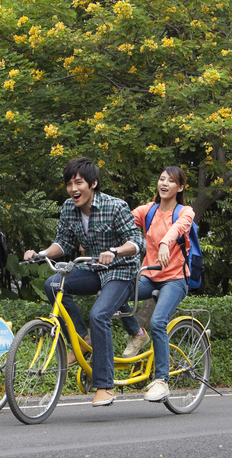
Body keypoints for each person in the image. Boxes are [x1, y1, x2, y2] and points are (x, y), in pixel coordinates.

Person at [23, 158, 145, 407]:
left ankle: (105, 385)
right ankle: (82, 339)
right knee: (53, 284)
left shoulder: (115, 206)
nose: (73, 189)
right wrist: (43, 254)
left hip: (121, 271)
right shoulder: (69, 207)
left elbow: (137, 242)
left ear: (93, 183)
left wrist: (115, 251)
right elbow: (64, 243)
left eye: (78, 183)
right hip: (93, 268)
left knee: (99, 314)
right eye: (69, 184)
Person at [124, 165, 196, 402]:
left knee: (158, 321)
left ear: (180, 187)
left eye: (171, 181)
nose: (164, 183)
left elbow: (178, 228)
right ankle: (136, 333)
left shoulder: (185, 211)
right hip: (149, 275)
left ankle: (161, 380)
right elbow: (122, 221)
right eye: (162, 179)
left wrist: (165, 242)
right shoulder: (149, 210)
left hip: (175, 280)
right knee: (114, 292)